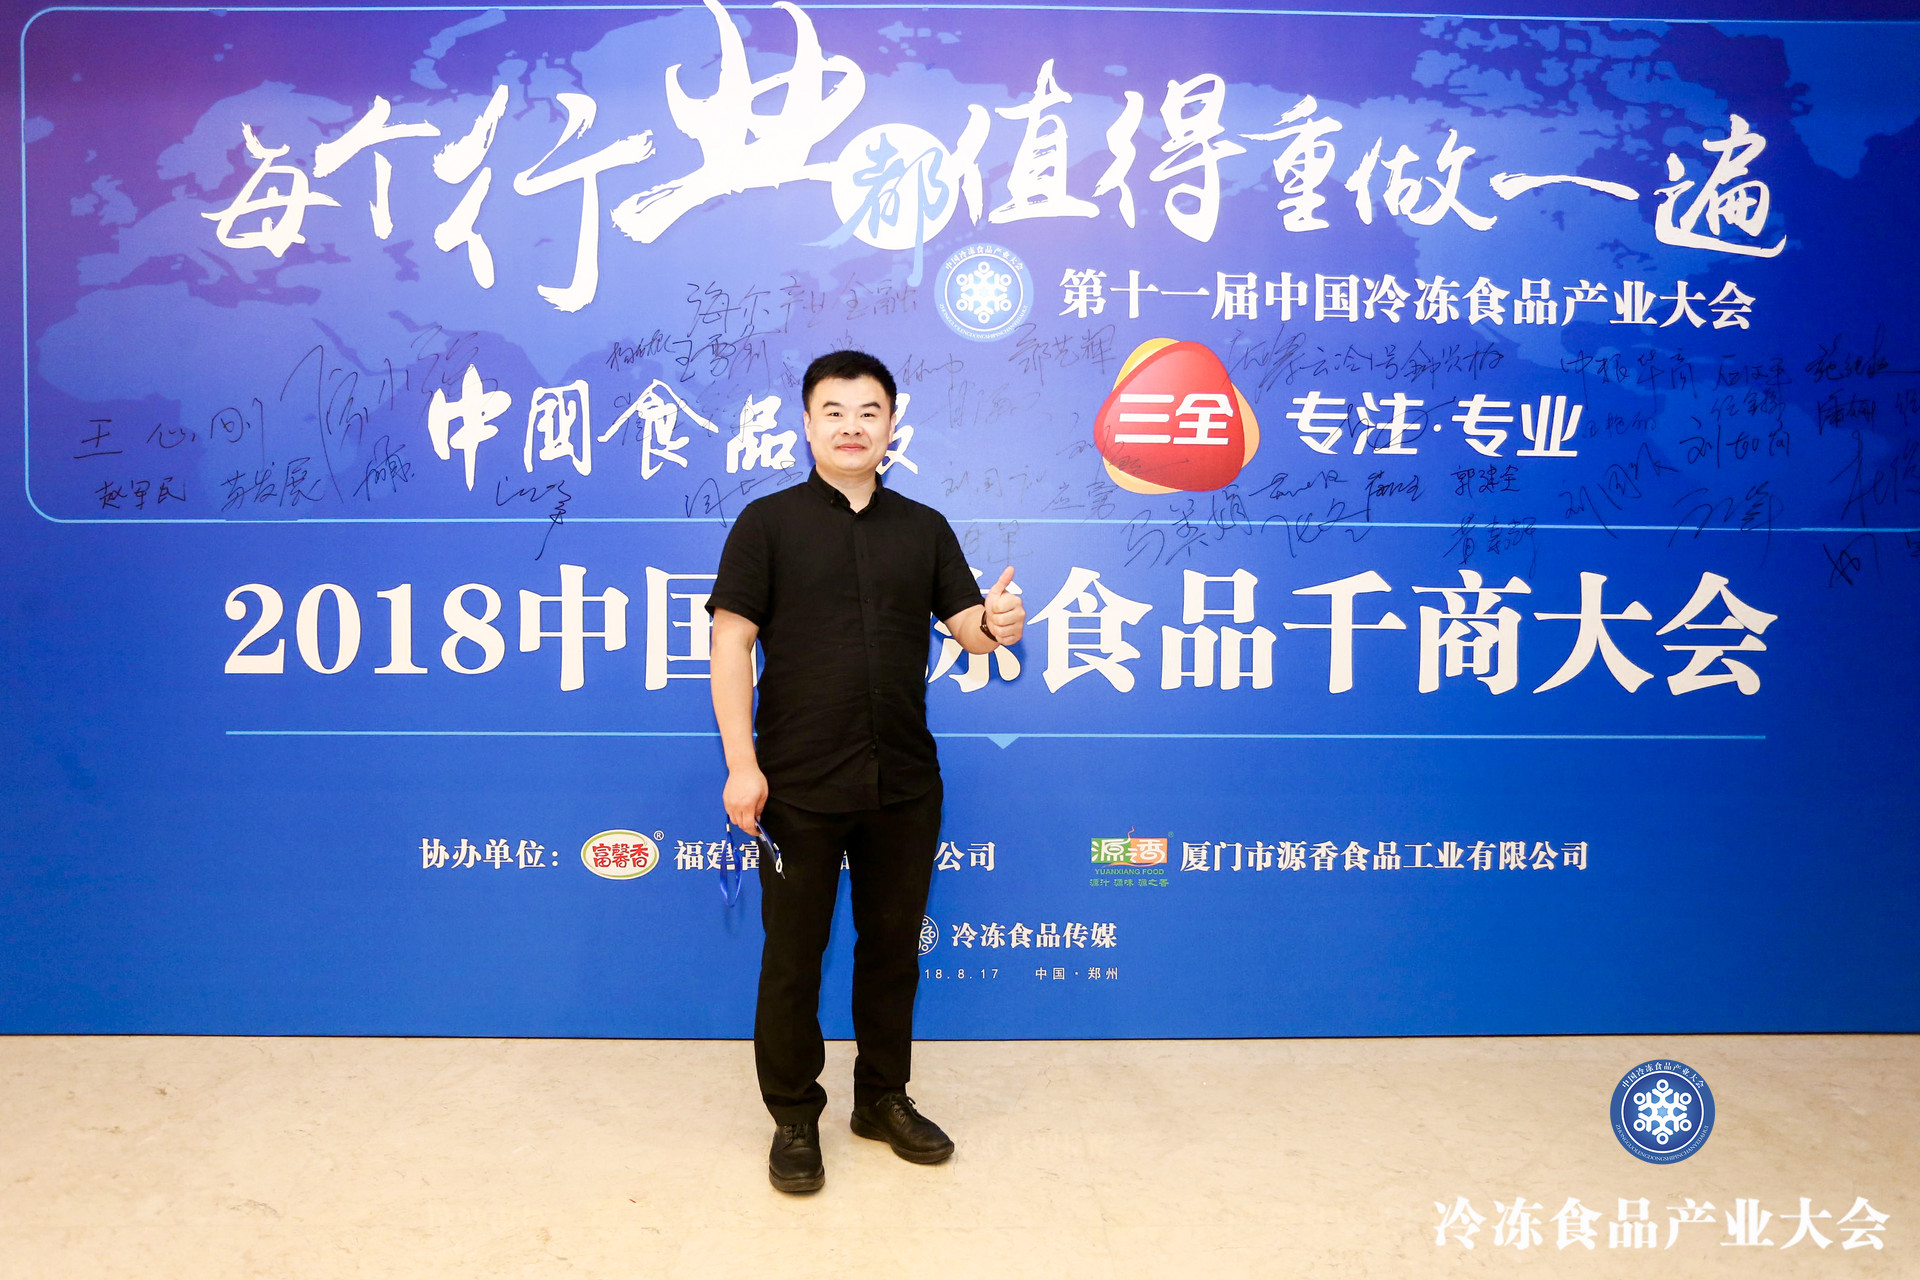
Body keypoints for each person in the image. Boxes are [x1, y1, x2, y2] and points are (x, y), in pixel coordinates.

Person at [706, 350, 1027, 1194]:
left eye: (869, 411)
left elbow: (969, 630)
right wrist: (742, 765)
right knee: (794, 958)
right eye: (835, 411)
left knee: (890, 952)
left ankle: (882, 1098)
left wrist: (999, 623)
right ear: (807, 424)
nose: (852, 426)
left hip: (903, 786)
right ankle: (793, 1116)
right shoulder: (766, 524)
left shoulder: (922, 527)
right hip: (796, 788)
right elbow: (731, 643)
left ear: (892, 426)